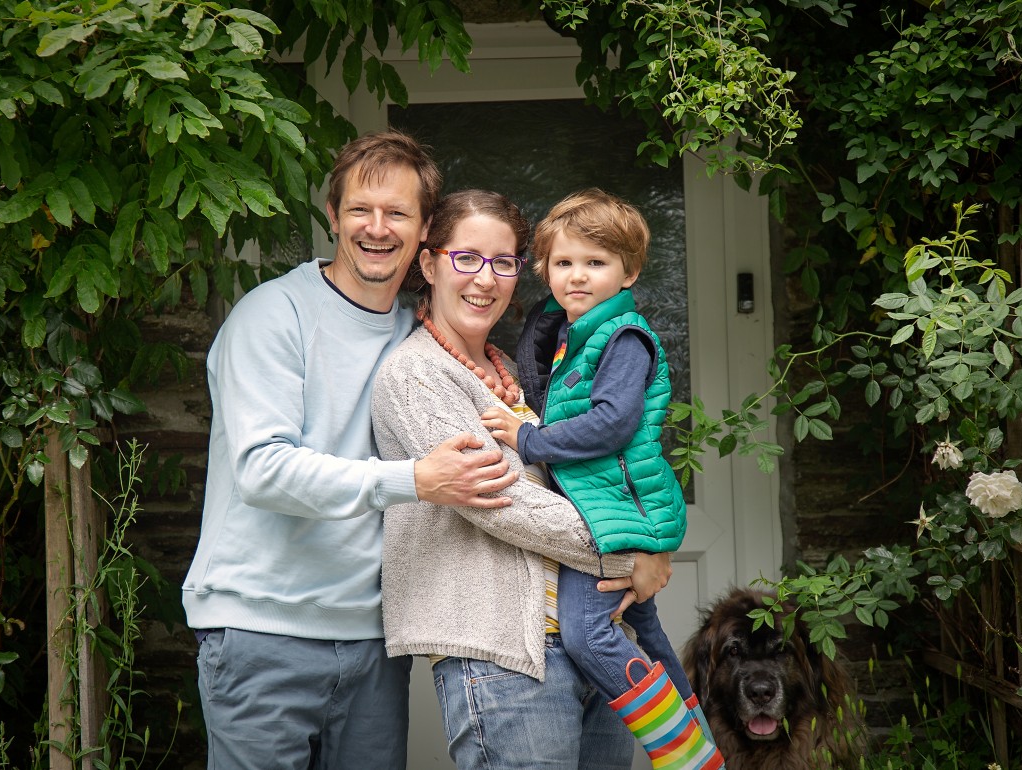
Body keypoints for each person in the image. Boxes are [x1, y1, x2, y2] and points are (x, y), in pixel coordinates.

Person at [181, 130, 520, 770]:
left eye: (398, 213)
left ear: (425, 233)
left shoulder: (419, 337)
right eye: (361, 209)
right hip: (262, 629)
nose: (377, 228)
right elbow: (263, 470)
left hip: (372, 639)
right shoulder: (272, 315)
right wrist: (415, 479)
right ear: (333, 215)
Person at [371, 188, 675, 770]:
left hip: (595, 638)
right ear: (430, 264)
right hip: (507, 657)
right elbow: (501, 503)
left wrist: (642, 540)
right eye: (466, 258)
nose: (485, 279)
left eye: (503, 262)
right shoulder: (415, 376)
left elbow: (606, 465)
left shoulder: (515, 371)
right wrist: (628, 551)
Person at [480, 188, 725, 770]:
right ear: (544, 269)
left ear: (629, 271)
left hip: (622, 511)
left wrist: (528, 440)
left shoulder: (624, 338)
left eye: (596, 263)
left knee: (587, 636)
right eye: (564, 263)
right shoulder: (567, 335)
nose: (578, 277)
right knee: (644, 631)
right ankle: (699, 729)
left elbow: (612, 424)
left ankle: (687, 755)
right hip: (607, 505)